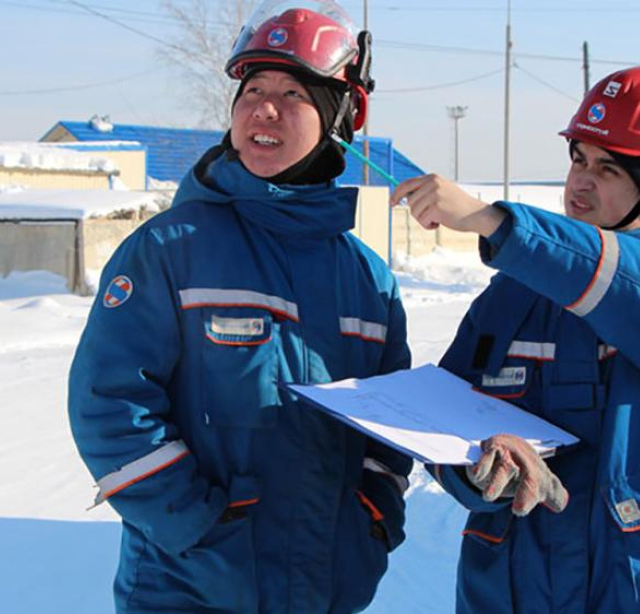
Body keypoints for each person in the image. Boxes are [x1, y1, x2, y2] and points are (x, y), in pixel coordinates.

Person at [68, 2, 411, 612]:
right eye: (252, 89)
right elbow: (109, 402)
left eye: (292, 93)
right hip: (190, 589)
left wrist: (373, 513)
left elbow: (389, 424)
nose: (264, 108)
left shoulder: (368, 279)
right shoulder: (171, 249)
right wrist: (197, 526)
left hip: (327, 587)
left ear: (338, 116)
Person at [392, 66, 640, 613]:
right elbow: (441, 420)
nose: (580, 181)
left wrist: (493, 221)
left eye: (607, 168)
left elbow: (631, 288)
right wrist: (483, 469)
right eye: (578, 159)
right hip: (511, 588)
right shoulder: (513, 295)